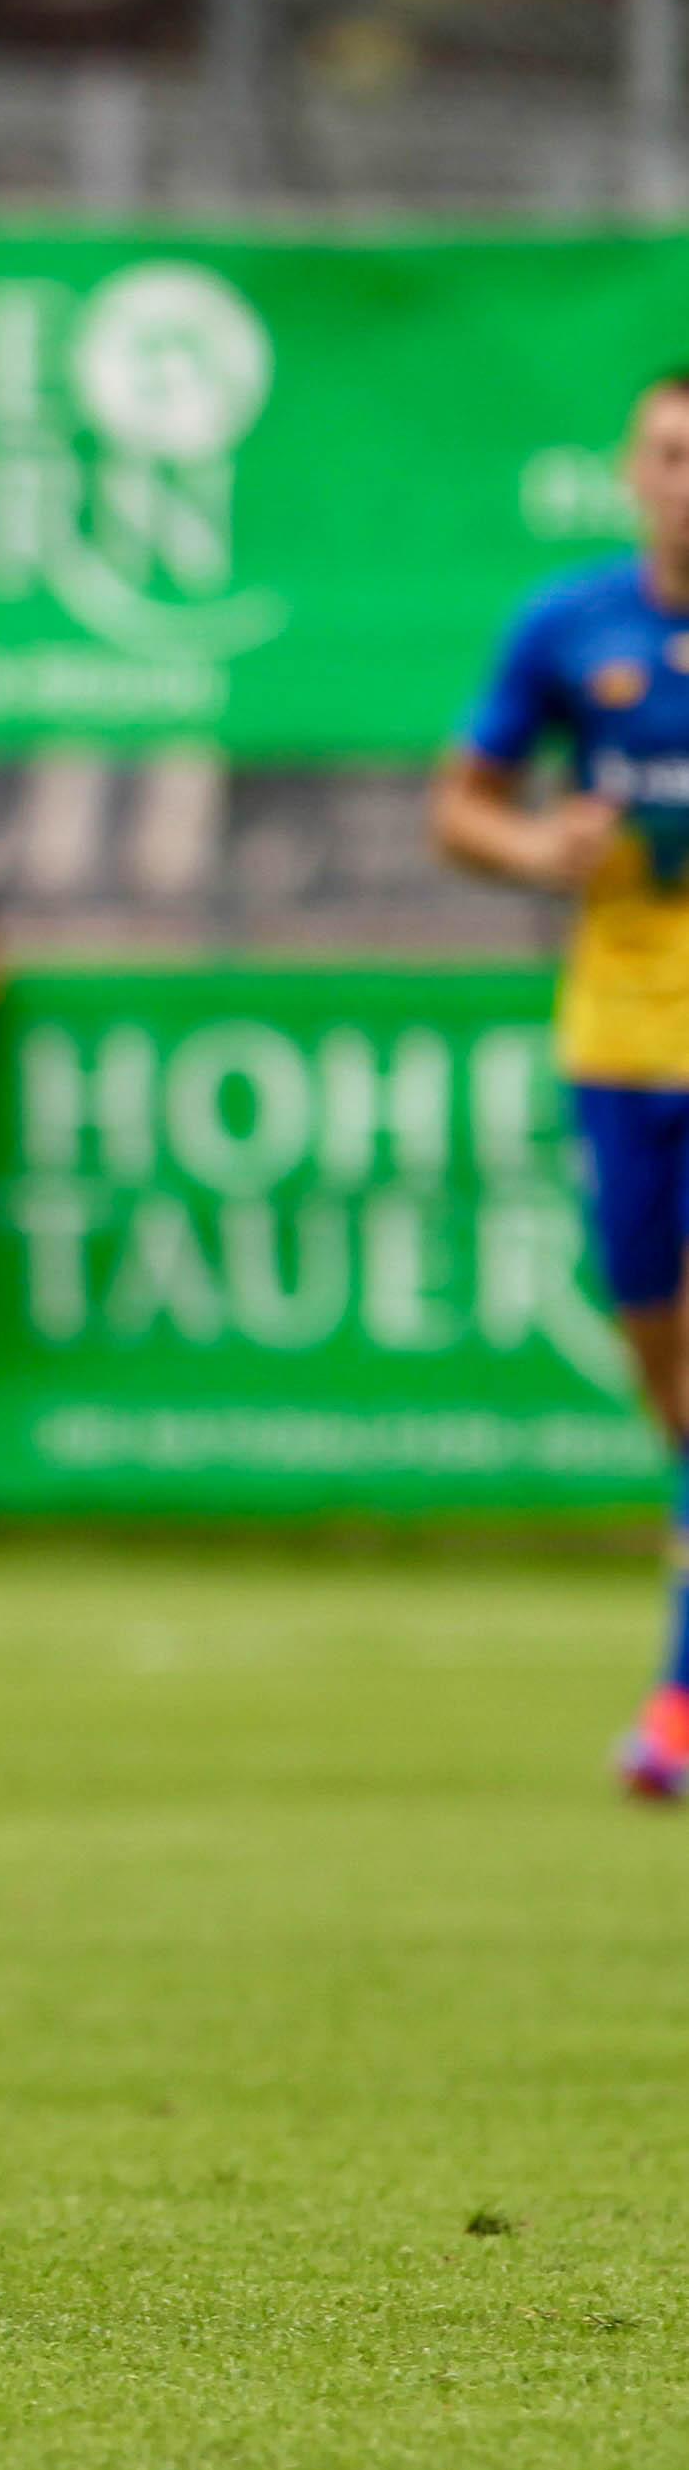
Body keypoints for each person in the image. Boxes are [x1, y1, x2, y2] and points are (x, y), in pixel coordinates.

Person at [434, 363, 689, 1801]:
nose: (687, 482)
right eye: (669, 454)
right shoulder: (568, 624)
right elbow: (458, 806)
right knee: (666, 1378)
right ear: (630, 471)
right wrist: (538, 849)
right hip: (618, 1043)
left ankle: (675, 1703)